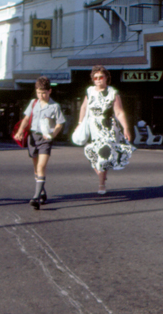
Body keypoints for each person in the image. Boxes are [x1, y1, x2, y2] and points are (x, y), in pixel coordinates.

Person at [78, 65, 134, 194]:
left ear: (106, 78)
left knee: (103, 155)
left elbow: (119, 112)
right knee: (94, 156)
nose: (98, 80)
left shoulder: (112, 93)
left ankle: (101, 184)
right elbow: (83, 108)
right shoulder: (90, 91)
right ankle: (102, 175)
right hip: (93, 129)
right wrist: (80, 123)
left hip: (107, 128)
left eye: (100, 77)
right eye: (95, 77)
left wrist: (126, 128)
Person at [15, 76, 66, 210]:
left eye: (43, 92)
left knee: (41, 166)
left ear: (50, 91)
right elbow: (26, 119)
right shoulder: (33, 103)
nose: (41, 95)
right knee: (36, 168)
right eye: (38, 92)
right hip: (33, 138)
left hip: (45, 140)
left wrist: (52, 135)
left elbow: (60, 123)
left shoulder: (55, 106)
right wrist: (20, 131)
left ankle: (36, 197)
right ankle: (42, 192)